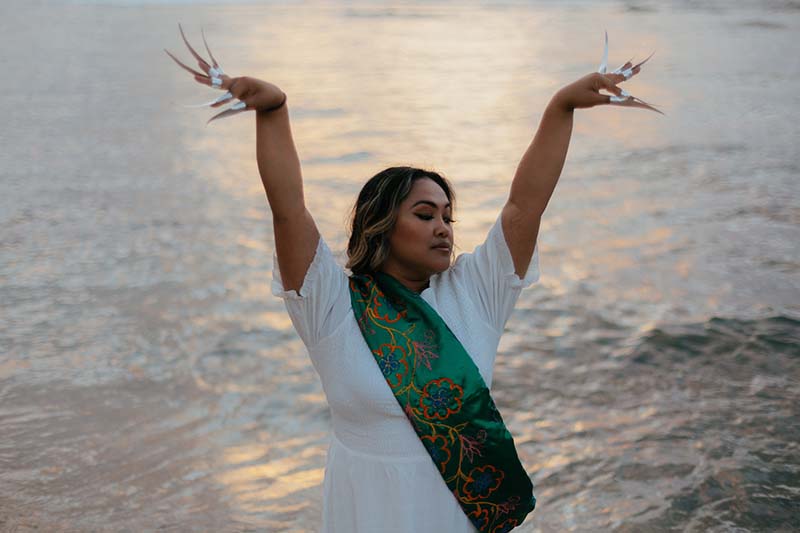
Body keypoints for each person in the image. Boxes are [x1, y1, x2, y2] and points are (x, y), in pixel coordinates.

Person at [167, 27, 648, 532]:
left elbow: (525, 205)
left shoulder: (475, 293)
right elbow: (287, 210)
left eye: (447, 216)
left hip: (453, 513)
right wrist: (275, 111)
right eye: (424, 214)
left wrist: (560, 108)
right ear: (382, 224)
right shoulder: (331, 303)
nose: (443, 227)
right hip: (366, 510)